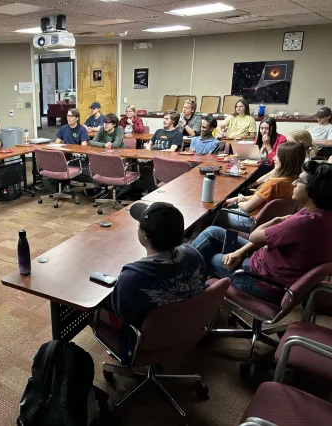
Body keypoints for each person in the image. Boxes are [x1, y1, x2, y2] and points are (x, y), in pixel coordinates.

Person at [192, 160, 332, 305]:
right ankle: (188, 283)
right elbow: (263, 240)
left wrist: (276, 220)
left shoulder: (304, 223)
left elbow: (254, 236)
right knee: (213, 232)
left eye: (300, 180)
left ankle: (183, 292)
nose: (294, 183)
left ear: (314, 189)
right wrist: (240, 252)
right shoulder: (320, 212)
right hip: (270, 266)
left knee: (204, 258)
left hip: (262, 281)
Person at [109, 202, 207, 363]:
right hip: (187, 326)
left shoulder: (132, 279)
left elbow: (121, 314)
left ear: (146, 235)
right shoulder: (194, 254)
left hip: (145, 340)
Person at [218, 142, 305, 232]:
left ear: (286, 160)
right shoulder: (297, 182)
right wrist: (239, 198)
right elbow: (263, 197)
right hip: (274, 224)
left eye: (278, 155)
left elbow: (247, 207)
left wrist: (238, 202)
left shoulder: (273, 184)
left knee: (215, 213)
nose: (274, 158)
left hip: (253, 222)